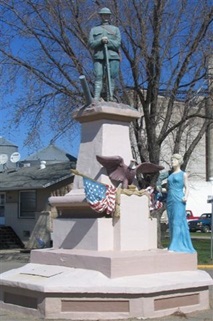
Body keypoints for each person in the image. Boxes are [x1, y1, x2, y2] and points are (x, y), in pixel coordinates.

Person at [88, 7, 121, 101]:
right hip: (99, 56)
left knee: (111, 77)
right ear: (100, 16)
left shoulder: (115, 29)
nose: (105, 17)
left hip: (112, 56)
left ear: (110, 16)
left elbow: (117, 44)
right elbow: (91, 44)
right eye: (103, 15)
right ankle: (96, 97)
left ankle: (110, 97)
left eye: (107, 15)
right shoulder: (94, 30)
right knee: (98, 75)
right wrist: (100, 41)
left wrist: (108, 41)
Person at [166, 154, 196, 253]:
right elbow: (168, 188)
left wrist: (186, 197)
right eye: (171, 160)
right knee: (171, 222)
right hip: (170, 199)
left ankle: (174, 245)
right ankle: (172, 243)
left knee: (177, 222)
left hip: (179, 199)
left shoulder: (183, 174)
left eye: (173, 160)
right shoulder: (170, 175)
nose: (172, 162)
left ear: (179, 161)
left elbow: (187, 187)